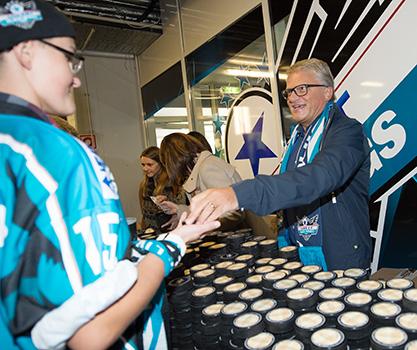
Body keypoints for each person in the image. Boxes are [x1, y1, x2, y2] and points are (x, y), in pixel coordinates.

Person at [0, 1, 220, 349]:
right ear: (27, 53)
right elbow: (91, 333)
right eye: (69, 57)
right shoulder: (59, 155)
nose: (75, 77)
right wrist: (172, 248)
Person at [186, 58, 371, 270]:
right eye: (289, 92)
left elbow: (317, 178)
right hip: (299, 255)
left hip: (341, 261)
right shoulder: (297, 138)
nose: (292, 98)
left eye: (302, 89)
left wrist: (238, 194)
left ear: (328, 92)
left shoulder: (347, 132)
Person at [159, 132, 246, 231]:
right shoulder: (201, 168)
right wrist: (178, 210)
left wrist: (201, 227)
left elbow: (231, 211)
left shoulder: (207, 167)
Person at [139, 146, 185, 232]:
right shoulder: (143, 185)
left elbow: (183, 208)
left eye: (150, 165)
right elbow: (144, 214)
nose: (145, 168)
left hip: (172, 230)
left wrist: (168, 202)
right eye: (143, 165)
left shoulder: (173, 182)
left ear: (160, 163)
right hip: (151, 232)